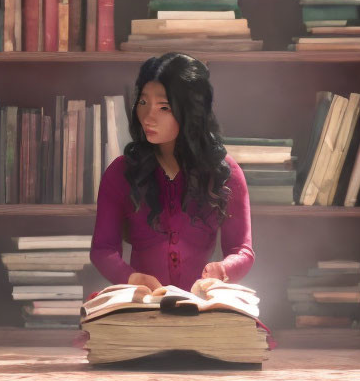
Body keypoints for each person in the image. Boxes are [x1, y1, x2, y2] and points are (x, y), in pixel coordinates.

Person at [89, 52, 254, 296]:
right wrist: (131, 278)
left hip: (203, 307)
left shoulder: (225, 174)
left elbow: (242, 249)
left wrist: (221, 270)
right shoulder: (120, 173)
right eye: (143, 103)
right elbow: (102, 249)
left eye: (163, 107)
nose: (148, 117)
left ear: (191, 111)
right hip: (142, 307)